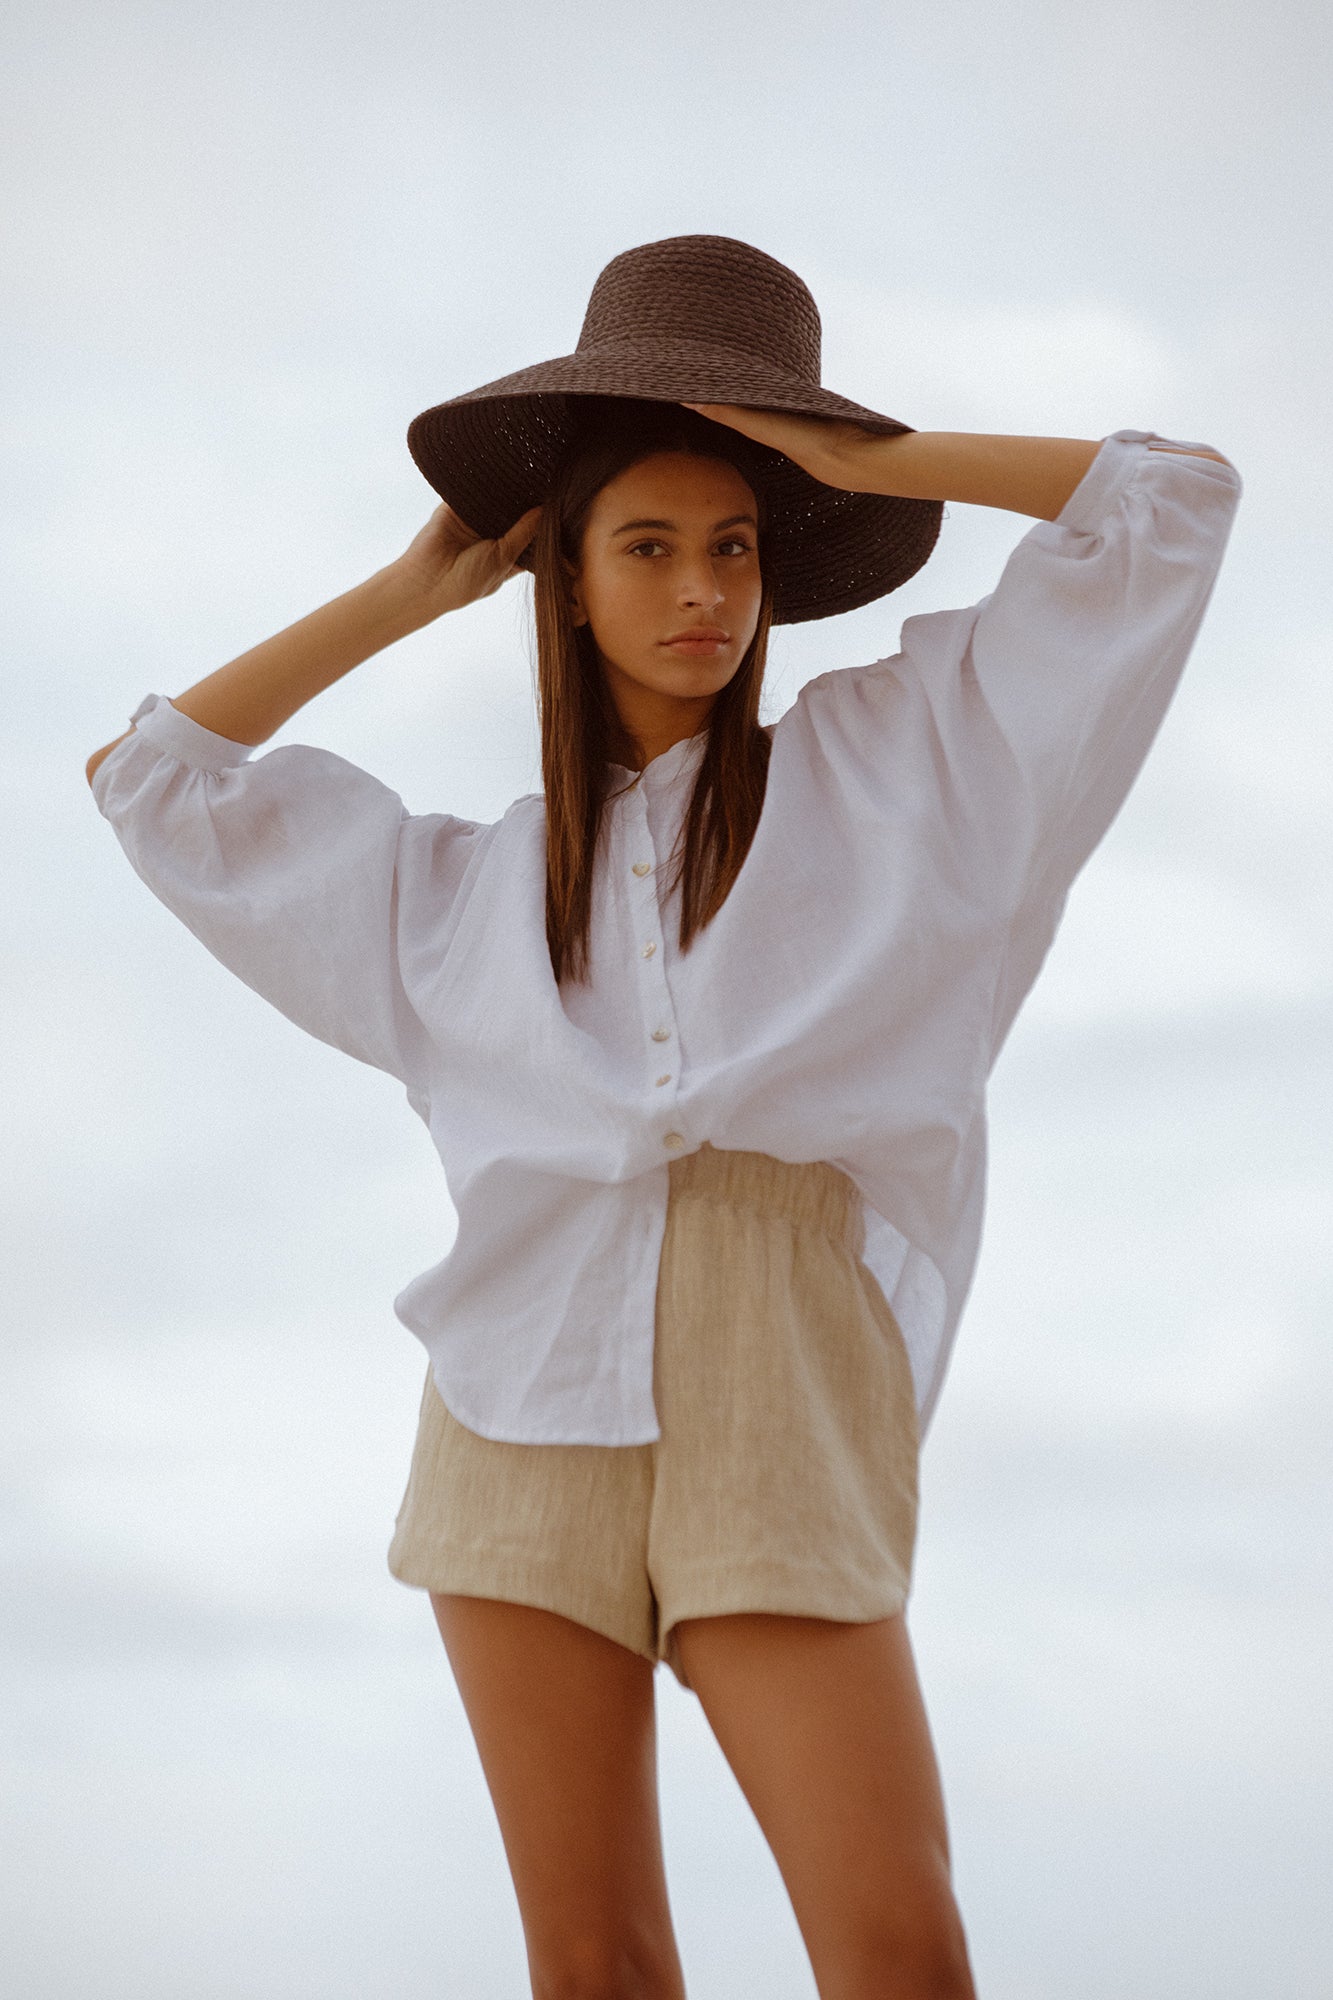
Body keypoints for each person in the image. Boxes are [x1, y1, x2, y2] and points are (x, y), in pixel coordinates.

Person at [85, 234, 1242, 2000]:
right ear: (566, 578)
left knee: (896, 1951)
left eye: (736, 544)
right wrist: (416, 589)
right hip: (513, 1394)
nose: (703, 588)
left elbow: (1168, 499)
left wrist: (872, 459)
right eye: (645, 545)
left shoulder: (902, 767)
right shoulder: (454, 899)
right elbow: (152, 782)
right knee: (593, 1965)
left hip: (778, 1364)